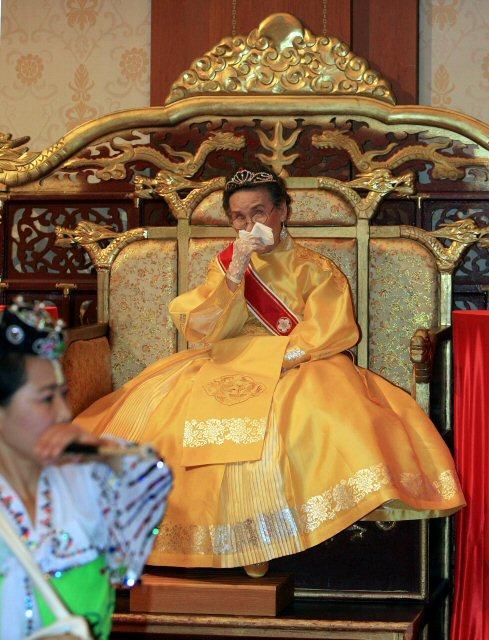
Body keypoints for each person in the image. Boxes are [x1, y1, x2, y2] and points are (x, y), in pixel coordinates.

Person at [76, 166, 465, 575]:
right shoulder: (226, 265)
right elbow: (205, 328)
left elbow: (331, 330)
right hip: (230, 358)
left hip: (299, 362)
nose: (250, 225)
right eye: (239, 217)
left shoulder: (315, 268)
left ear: (282, 212)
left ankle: (272, 538)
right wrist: (234, 276)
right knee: (166, 422)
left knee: (312, 418)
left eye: (258, 212)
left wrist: (280, 359)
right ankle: (208, 543)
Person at [0, 299, 173, 639]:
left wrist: (100, 452)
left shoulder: (84, 480)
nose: (64, 413)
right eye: (46, 398)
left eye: (63, 394)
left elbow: (153, 479)